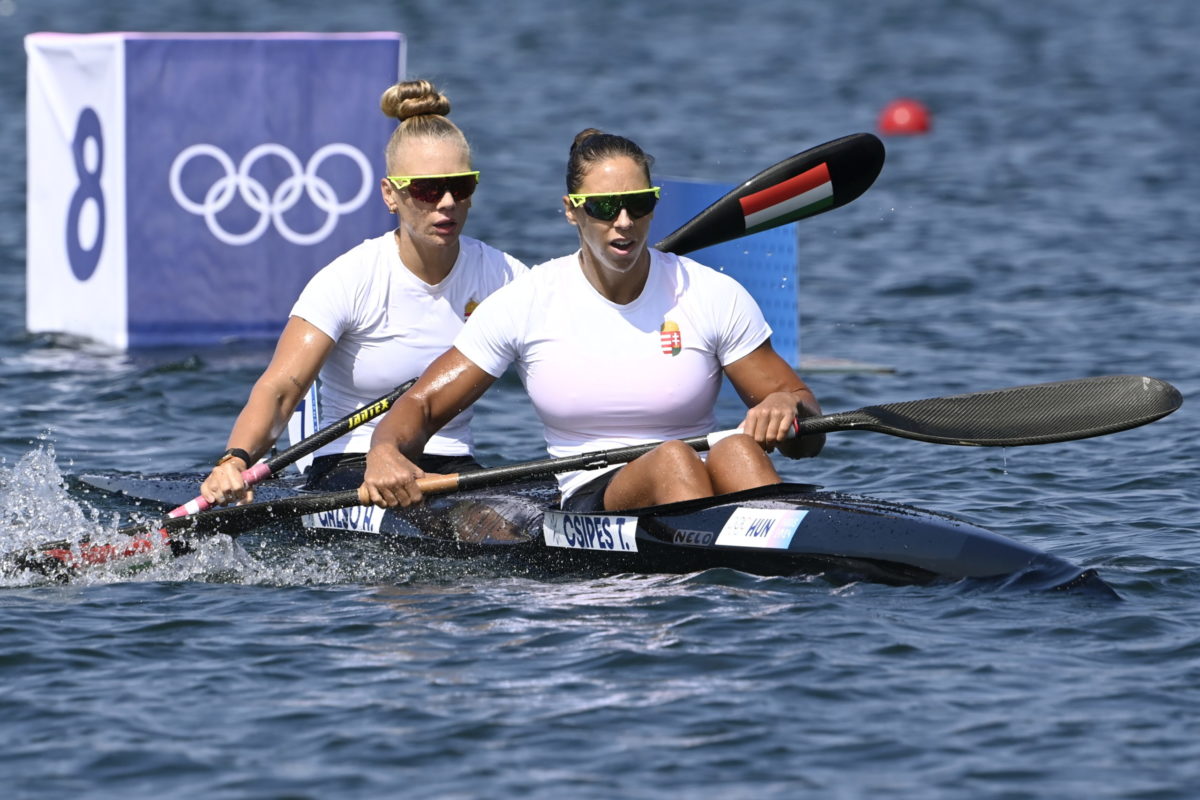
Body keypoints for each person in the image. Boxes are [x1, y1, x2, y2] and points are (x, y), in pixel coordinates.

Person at [362, 128, 824, 512]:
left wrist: (789, 407)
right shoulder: (528, 301)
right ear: (571, 209)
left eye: (638, 204)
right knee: (673, 460)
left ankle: (773, 603)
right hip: (593, 499)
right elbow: (420, 406)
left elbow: (808, 440)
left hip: (704, 477)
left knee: (738, 449)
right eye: (604, 207)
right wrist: (384, 454)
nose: (623, 221)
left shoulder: (711, 294)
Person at [199, 79, 526, 506]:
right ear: (391, 194)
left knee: (509, 529)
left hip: (452, 464)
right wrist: (235, 460)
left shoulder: (505, 277)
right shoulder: (350, 279)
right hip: (348, 464)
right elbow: (281, 390)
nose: (446, 202)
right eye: (427, 190)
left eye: (460, 186)